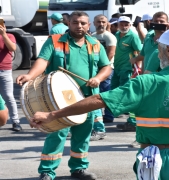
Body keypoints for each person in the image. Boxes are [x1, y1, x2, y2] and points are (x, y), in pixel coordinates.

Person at [30, 28, 169, 180]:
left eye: (161, 48)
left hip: (158, 159)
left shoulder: (147, 82)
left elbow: (98, 100)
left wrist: (53, 115)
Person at [16, 11, 111, 180]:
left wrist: (98, 78)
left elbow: (106, 67)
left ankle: (79, 169)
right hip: (59, 99)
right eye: (75, 22)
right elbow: (43, 60)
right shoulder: (55, 41)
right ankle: (47, 171)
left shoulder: (96, 44)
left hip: (87, 98)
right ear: (69, 24)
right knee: (57, 134)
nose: (79, 26)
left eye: (83, 23)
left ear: (88, 25)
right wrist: (30, 76)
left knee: (83, 135)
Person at [112, 16, 142, 132]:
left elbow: (140, 52)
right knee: (115, 90)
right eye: (121, 24)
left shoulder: (133, 36)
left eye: (126, 24)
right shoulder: (116, 35)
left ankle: (132, 122)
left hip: (128, 69)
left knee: (127, 94)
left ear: (130, 25)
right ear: (118, 25)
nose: (124, 26)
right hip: (117, 68)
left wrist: (137, 68)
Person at [92, 14, 117, 126]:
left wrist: (102, 67)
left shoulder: (109, 37)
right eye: (98, 22)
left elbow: (111, 53)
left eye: (103, 22)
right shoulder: (93, 36)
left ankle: (108, 115)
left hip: (106, 70)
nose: (101, 24)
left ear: (107, 23)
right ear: (94, 23)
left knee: (107, 92)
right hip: (95, 70)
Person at [0, 21, 21, 131]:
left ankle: (15, 121)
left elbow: (12, 48)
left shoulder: (9, 36)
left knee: (8, 96)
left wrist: (3, 34)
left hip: (5, 71)